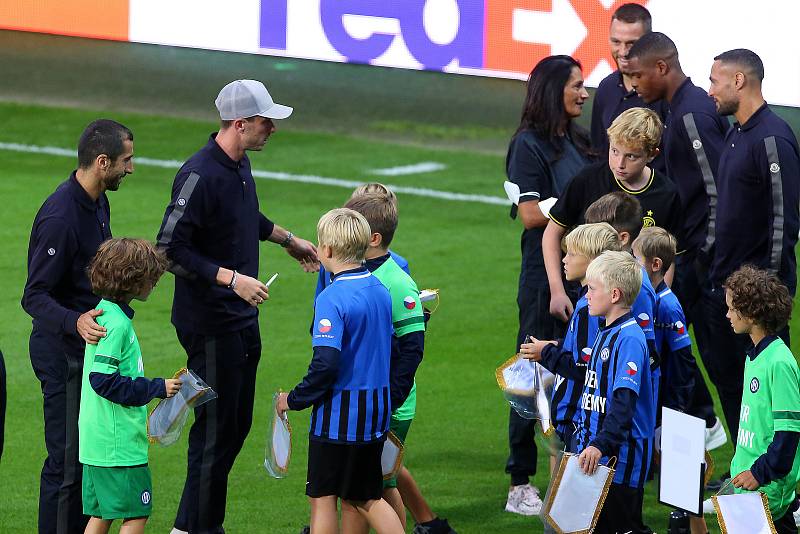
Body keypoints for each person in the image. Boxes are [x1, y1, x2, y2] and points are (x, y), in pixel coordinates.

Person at [156, 79, 319, 533]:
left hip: (239, 319)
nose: (273, 129)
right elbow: (170, 250)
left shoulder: (239, 165)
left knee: (234, 426)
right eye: (267, 121)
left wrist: (287, 239)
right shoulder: (199, 174)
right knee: (215, 431)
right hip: (209, 323)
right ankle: (197, 528)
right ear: (239, 123)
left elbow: (246, 215)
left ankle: (195, 525)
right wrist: (232, 280)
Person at [22, 119, 134, 534]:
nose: (131, 168)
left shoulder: (98, 200)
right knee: (66, 463)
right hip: (62, 354)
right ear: (102, 162)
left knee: (84, 460)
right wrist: (76, 320)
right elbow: (33, 296)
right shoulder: (61, 216)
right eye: (126, 160)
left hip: (85, 351)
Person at [626, 33, 729, 448]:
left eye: (637, 76)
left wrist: (704, 256)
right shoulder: (680, 111)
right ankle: (700, 430)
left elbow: (721, 192)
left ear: (662, 68)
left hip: (702, 263)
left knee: (715, 362)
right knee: (670, 347)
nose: (633, 86)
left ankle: (714, 435)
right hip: (691, 258)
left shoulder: (692, 116)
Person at [502, 54, 592, 516]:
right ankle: (520, 479)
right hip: (544, 277)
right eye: (576, 85)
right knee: (533, 372)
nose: (584, 92)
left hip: (583, 273)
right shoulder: (528, 145)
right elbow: (530, 214)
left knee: (576, 367)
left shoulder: (578, 141)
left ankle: (571, 466)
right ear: (553, 89)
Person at [277, 208, 403, 534]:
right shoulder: (379, 288)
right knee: (366, 496)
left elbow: (325, 365)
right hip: (375, 409)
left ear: (327, 251)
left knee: (322, 497)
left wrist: (294, 399)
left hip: (340, 416)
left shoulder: (332, 297)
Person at [336, 192, 455, 534]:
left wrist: (388, 401)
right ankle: (428, 527)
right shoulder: (356, 273)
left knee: (362, 490)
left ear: (372, 238)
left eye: (352, 228)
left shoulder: (395, 280)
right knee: (380, 482)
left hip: (386, 401)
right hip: (364, 398)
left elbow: (411, 350)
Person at [700, 49, 800, 448]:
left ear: (739, 81)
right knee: (735, 390)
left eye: (714, 81)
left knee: (770, 403)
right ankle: (747, 475)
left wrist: (765, 294)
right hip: (728, 291)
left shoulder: (773, 138)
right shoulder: (736, 132)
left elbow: (784, 222)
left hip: (757, 299)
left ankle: (783, 493)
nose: (710, 90)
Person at [523, 251, 655, 533]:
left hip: (616, 464)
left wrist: (600, 444)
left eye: (593, 289)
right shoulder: (605, 333)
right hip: (591, 456)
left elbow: (623, 405)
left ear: (615, 294)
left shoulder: (629, 339)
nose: (587, 296)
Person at [79, 238, 183, 534]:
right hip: (117, 444)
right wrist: (156, 388)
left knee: (102, 514)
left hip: (97, 442)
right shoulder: (117, 325)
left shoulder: (103, 312)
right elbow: (102, 380)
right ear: (133, 280)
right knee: (136, 513)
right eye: (151, 277)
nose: (155, 282)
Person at [544, 107, 682, 325]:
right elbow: (552, 233)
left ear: (652, 154)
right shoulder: (587, 179)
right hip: (584, 298)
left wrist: (656, 303)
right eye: (615, 151)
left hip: (635, 304)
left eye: (631, 156)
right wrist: (557, 290)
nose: (620, 164)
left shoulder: (667, 194)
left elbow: (667, 260)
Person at [523, 223, 621, 447]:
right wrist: (557, 344)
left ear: (594, 261)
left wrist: (546, 352)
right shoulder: (591, 299)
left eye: (572, 254)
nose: (564, 260)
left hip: (579, 417)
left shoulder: (590, 307)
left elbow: (583, 367)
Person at [724, 266, 800, 533]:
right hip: (748, 484)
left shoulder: (779, 363)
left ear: (752, 313)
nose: (728, 314)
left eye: (732, 308)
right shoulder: (754, 355)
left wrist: (760, 473)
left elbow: (788, 434)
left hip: (766, 489)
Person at [590, 2, 666, 170]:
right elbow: (598, 153)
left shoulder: (666, 92)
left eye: (631, 44)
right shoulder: (606, 88)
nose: (623, 51)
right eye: (616, 42)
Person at [632, 227, 699, 416]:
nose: (631, 264)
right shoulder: (640, 297)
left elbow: (683, 360)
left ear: (655, 265)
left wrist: (676, 409)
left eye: (635, 259)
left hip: (662, 397)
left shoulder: (668, 306)